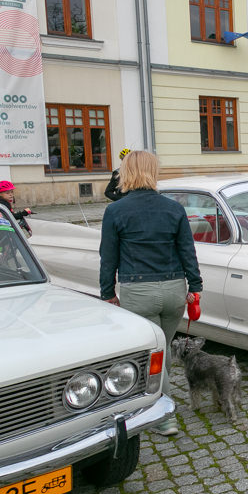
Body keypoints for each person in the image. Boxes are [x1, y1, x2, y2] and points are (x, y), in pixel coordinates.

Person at [99, 151, 203, 436]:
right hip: (173, 290)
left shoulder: (115, 211)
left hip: (138, 291)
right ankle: (160, 404)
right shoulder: (173, 208)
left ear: (126, 173)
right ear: (153, 172)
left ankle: (164, 417)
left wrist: (107, 293)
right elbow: (187, 251)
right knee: (164, 347)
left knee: (151, 355)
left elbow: (108, 258)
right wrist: (195, 287)